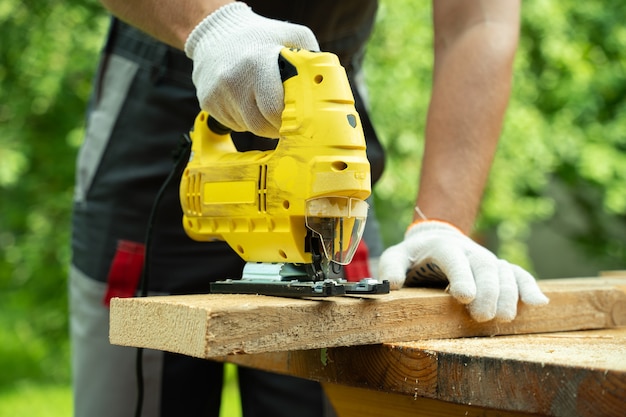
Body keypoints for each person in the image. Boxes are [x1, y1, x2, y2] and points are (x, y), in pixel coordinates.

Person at [69, 1, 549, 416]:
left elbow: (478, 22)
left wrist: (441, 223)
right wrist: (209, 25)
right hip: (165, 86)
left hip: (321, 88)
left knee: (348, 393)